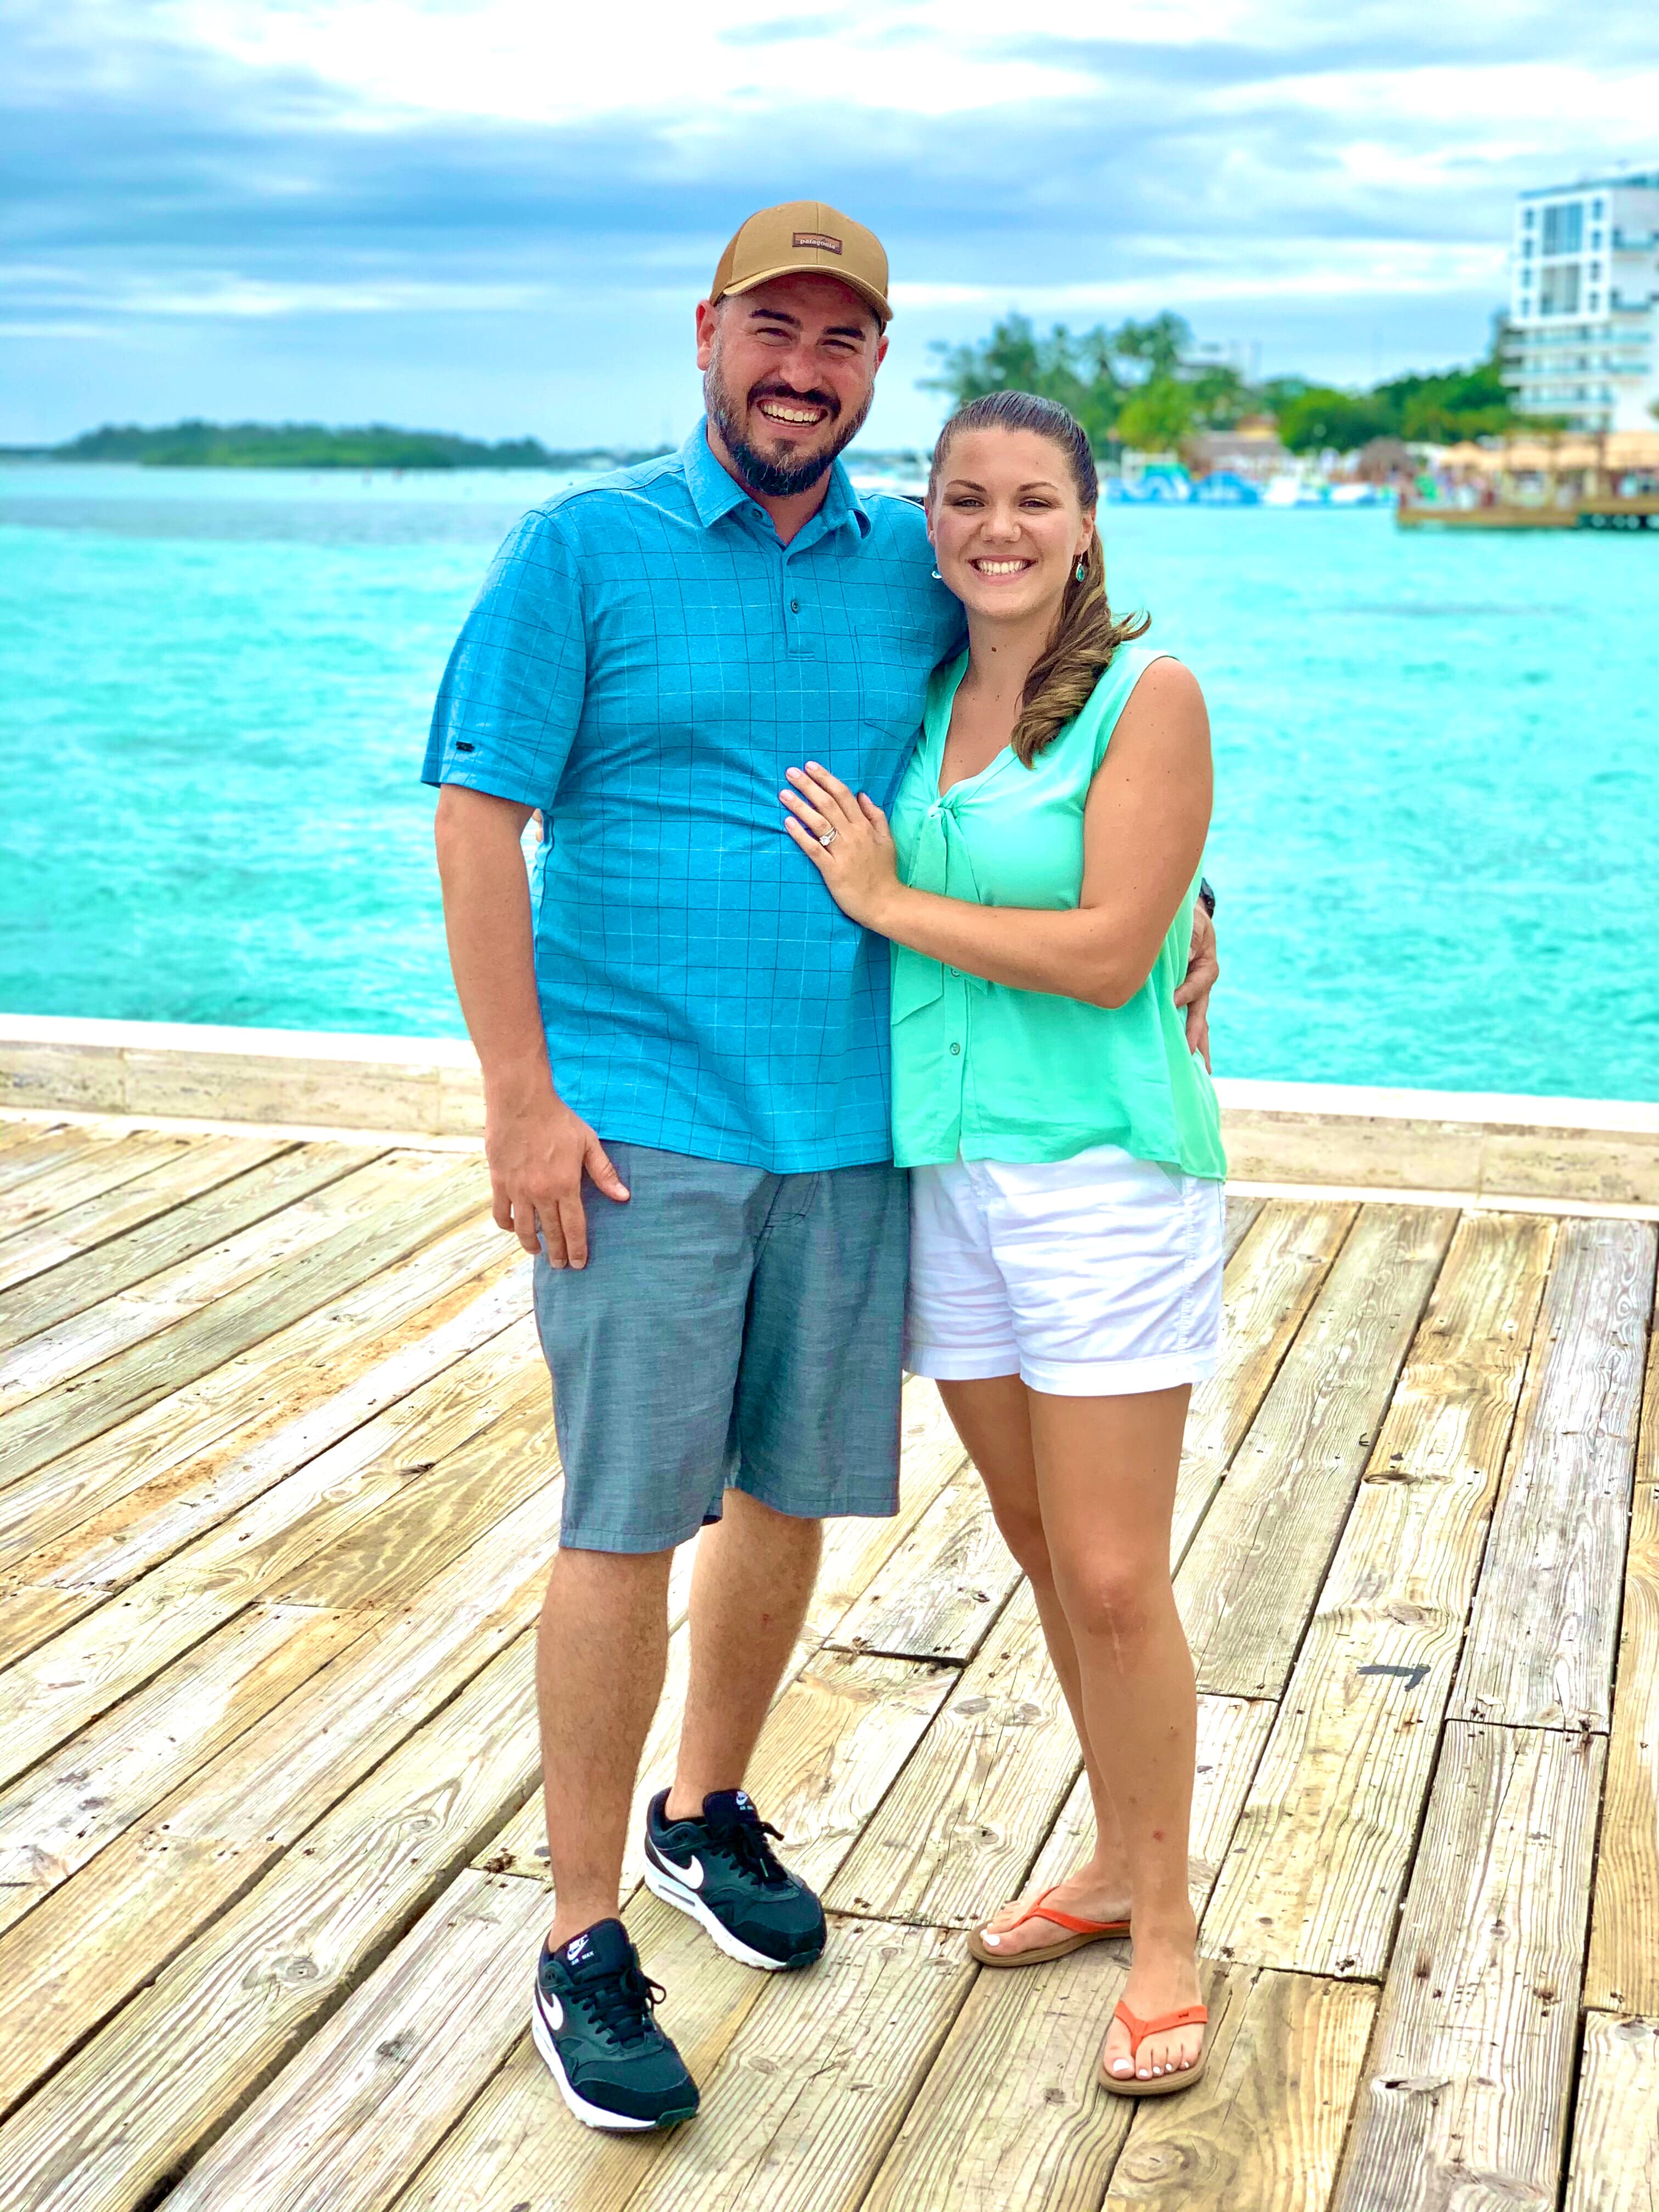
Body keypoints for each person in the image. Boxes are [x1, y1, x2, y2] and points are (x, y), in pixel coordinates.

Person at [426, 204, 1221, 2133]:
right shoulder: (582, 549)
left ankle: (708, 1813)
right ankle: (585, 1932)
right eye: (771, 331)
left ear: (877, 365)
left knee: (784, 1492)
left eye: (841, 342)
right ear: (707, 336)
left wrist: (1195, 907)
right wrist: (520, 1098)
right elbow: (474, 817)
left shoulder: (912, 562)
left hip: (864, 1132)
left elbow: (1066, 732)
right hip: (639, 1127)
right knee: (625, 1518)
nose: (803, 367)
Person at [780, 388, 1224, 2097]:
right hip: (945, 1174)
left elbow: (1119, 949)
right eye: (967, 498)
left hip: (1104, 1175)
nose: (998, 528)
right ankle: (1113, 1861)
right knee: (1049, 1551)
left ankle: (1169, 1924)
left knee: (1118, 1573)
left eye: (1034, 500)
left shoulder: (1145, 694)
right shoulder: (917, 692)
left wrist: (894, 906)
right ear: (932, 515)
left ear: (1088, 522)